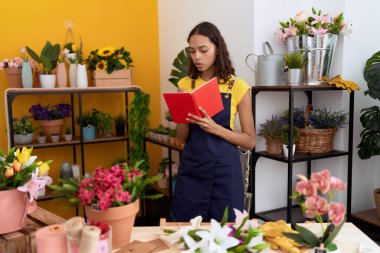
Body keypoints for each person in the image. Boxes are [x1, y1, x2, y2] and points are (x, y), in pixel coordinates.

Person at [171, 21, 255, 222]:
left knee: (227, 230)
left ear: (217, 48)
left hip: (225, 171)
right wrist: (183, 113)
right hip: (192, 167)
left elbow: (250, 141)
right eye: (192, 51)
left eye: (203, 50)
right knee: (186, 228)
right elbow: (181, 138)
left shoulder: (237, 86)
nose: (197, 57)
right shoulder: (184, 84)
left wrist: (215, 128)